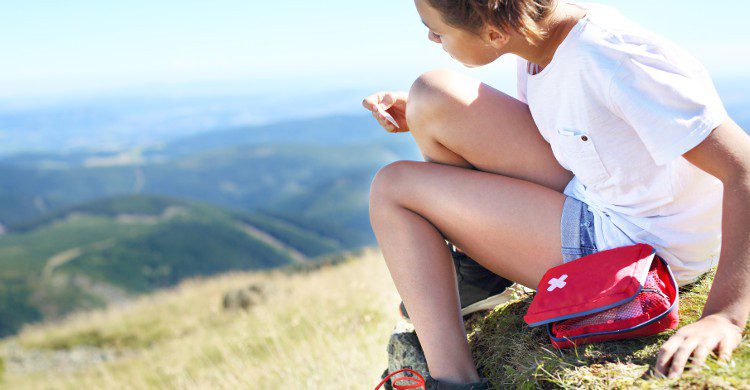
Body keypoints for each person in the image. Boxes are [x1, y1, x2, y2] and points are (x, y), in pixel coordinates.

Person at [363, 0, 750, 388]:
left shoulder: (618, 61)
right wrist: (423, 116)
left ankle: (452, 379)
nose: (431, 37)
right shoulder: (545, 32)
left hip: (641, 247)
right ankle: (482, 273)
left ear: (496, 33)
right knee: (434, 96)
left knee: (393, 189)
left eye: (438, 31)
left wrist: (725, 315)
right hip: (603, 193)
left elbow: (744, 169)